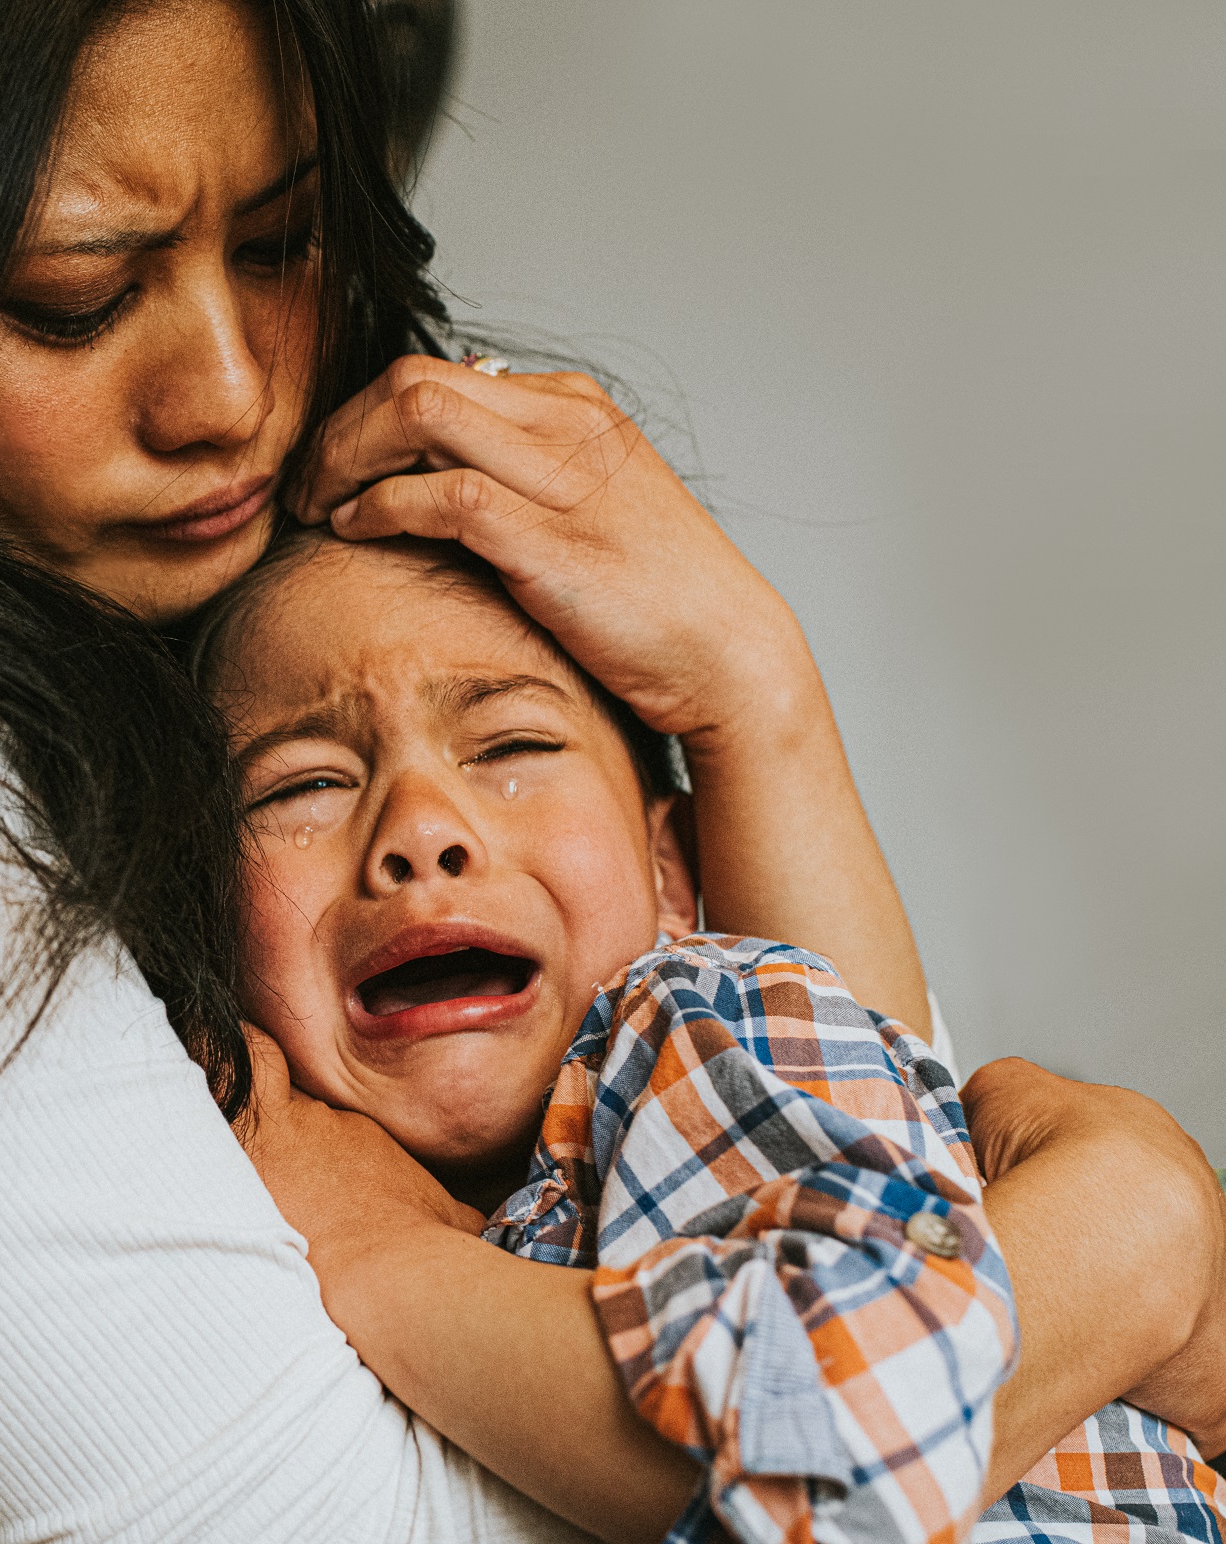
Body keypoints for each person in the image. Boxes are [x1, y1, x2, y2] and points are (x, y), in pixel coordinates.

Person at [0, 0, 1226, 1537]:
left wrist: (751, 693)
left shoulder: (205, 666)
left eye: (280, 241)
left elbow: (833, 1186)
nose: (235, 393)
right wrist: (1121, 1253)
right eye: (74, 298)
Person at [195, 531, 1226, 1544]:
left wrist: (382, 1252)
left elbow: (846, 1440)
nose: (422, 828)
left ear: (670, 871)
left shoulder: (702, 1009)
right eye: (303, 785)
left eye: (512, 746)